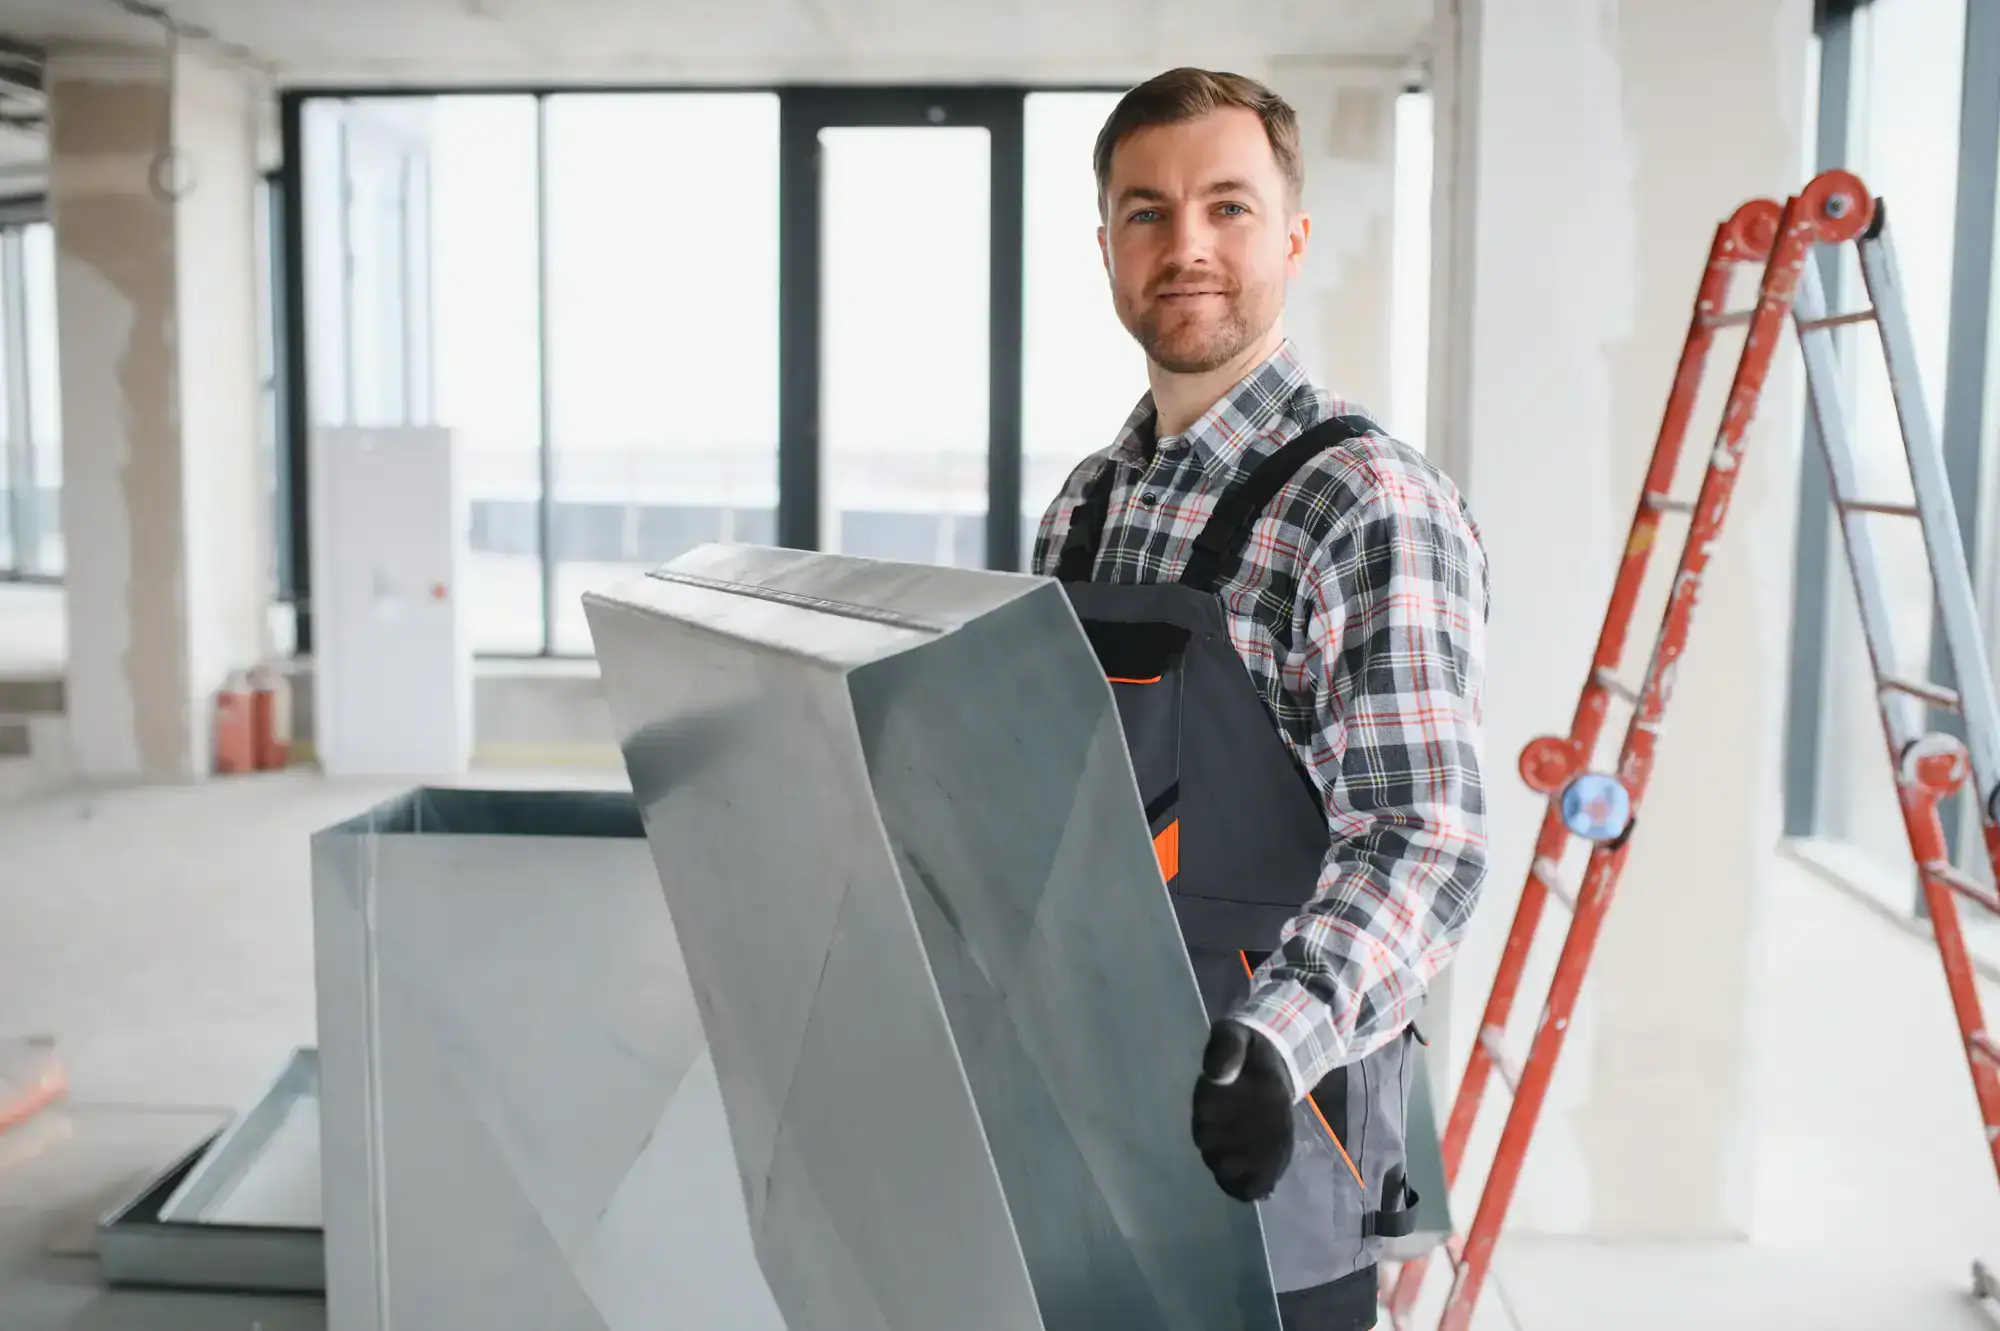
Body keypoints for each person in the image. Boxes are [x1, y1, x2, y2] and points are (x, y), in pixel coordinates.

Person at [1032, 67, 1491, 1331]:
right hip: (1084, 1127)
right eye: (1145, 211)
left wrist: (1279, 1040)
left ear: (1290, 235)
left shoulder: (1361, 503)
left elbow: (1423, 837)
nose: (1184, 245)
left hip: (1271, 1139)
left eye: (1227, 207)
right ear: (1105, 245)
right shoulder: (1082, 507)